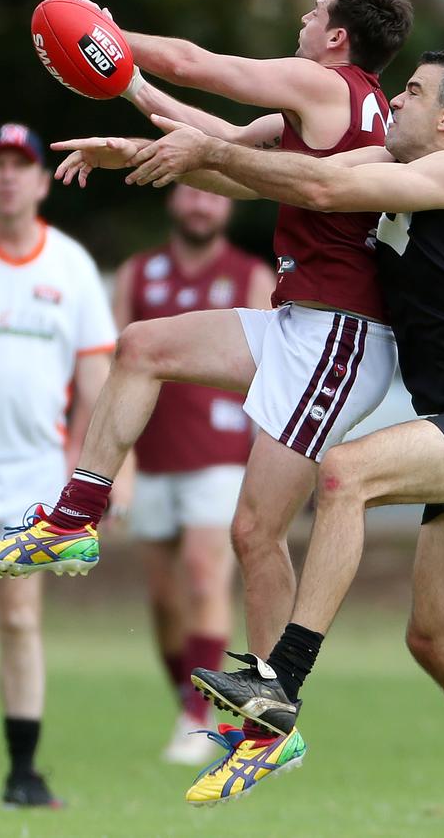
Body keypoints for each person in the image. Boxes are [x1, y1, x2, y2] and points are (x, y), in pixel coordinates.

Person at [109, 47, 444, 836]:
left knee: (347, 472)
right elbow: (258, 169)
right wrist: (148, 138)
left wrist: (211, 150)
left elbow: (321, 185)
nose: (393, 100)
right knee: (438, 640)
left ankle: (282, 680)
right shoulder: (400, 159)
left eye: (412, 93)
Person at [0, 0, 414, 802]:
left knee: (253, 530)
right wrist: (133, 121)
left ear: (339, 38)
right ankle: (74, 519)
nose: (301, 18)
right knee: (140, 346)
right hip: (297, 326)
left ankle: (271, 724)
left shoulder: (328, 85)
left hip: (339, 336)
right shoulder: (324, 110)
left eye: (315, 12)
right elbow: (221, 154)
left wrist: (98, 34)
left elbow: (196, 63)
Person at [0, 124, 122, 807]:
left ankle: (23, 775)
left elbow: (98, 383)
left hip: (35, 471)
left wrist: (110, 472)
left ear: (39, 182)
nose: (7, 176)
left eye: (19, 166)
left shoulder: (69, 265)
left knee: (21, 619)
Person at [113, 184, 274, 764]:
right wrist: (117, 464)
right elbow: (114, 367)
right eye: (191, 194)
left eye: (213, 196)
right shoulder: (137, 273)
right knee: (163, 598)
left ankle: (197, 717)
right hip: (152, 457)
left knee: (205, 577)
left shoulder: (252, 275)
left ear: (229, 205)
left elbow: (274, 373)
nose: (202, 205)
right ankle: (186, 701)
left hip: (221, 456)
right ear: (172, 200)